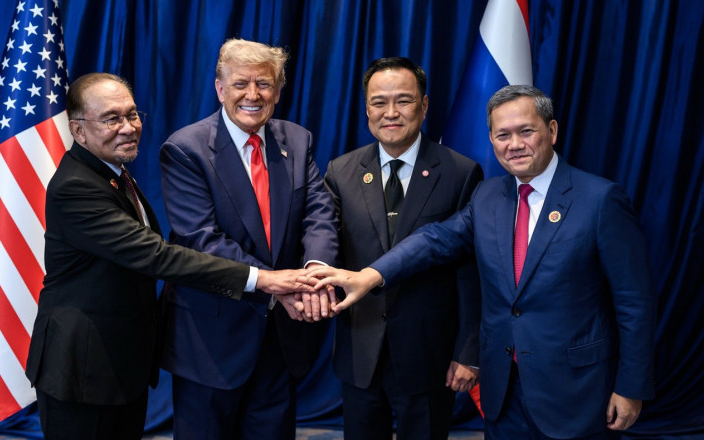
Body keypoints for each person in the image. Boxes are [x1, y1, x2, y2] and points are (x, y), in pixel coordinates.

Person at [310, 85, 655, 440]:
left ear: (551, 131)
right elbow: (434, 239)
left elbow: (634, 304)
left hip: (575, 391)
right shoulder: (488, 196)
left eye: (526, 131)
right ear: (491, 139)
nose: (514, 144)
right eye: (502, 135)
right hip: (502, 391)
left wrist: (631, 387)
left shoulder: (600, 199)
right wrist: (371, 275)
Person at [25, 73, 313, 440]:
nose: (128, 128)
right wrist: (265, 279)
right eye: (112, 118)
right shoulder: (77, 187)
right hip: (84, 367)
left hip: (120, 365)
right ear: (78, 131)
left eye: (132, 114)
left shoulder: (114, 174)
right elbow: (159, 257)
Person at [158, 39, 339, 440]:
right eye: (241, 83)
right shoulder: (185, 149)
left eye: (265, 84)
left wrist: (315, 272)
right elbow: (201, 239)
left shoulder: (297, 139)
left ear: (278, 90)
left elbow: (319, 213)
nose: (253, 95)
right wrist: (278, 286)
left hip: (280, 338)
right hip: (212, 340)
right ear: (220, 89)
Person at [323, 57, 483, 440]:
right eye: (379, 102)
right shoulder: (341, 171)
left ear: (424, 106)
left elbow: (472, 272)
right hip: (360, 349)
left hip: (430, 355)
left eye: (404, 101)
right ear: (366, 109)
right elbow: (326, 245)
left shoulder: (462, 172)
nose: (390, 113)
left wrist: (468, 350)